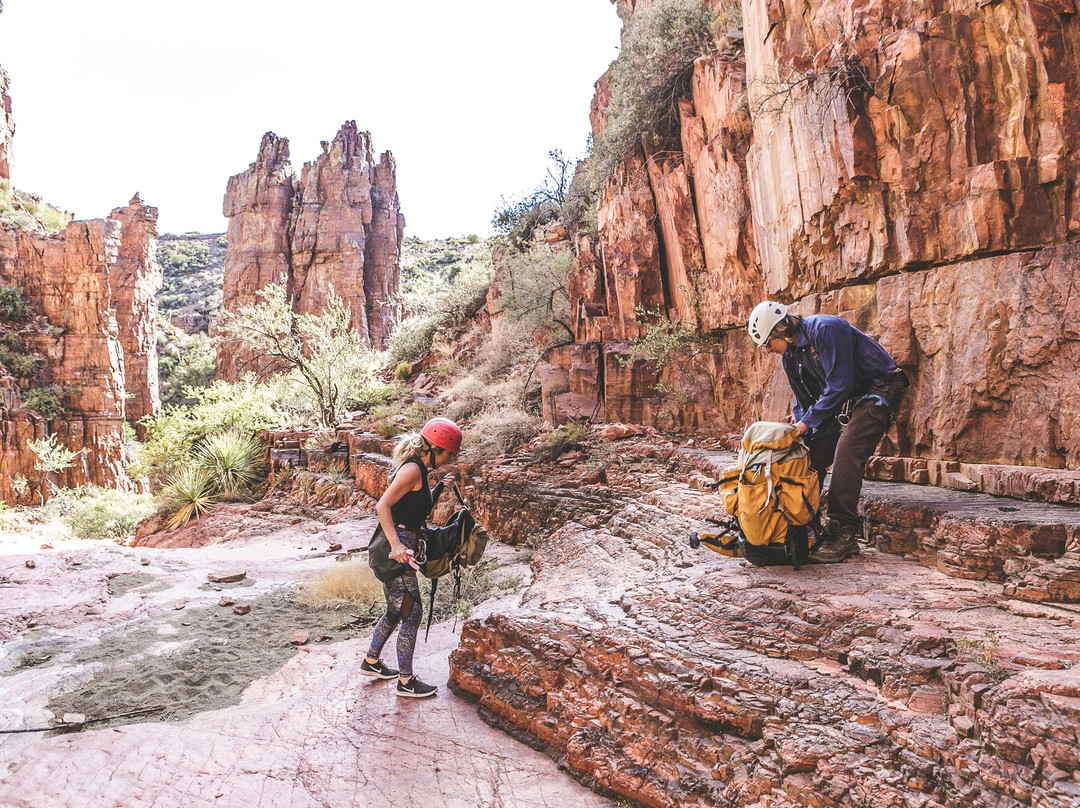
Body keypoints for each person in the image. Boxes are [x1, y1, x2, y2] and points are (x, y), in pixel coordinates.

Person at [747, 301, 908, 563]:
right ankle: (804, 525)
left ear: (780, 329)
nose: (766, 351)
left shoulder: (825, 329)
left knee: (847, 450)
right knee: (808, 455)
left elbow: (839, 384)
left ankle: (842, 532)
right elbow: (803, 402)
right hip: (845, 399)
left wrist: (805, 424)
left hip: (878, 388)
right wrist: (801, 436)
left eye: (767, 343)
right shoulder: (790, 358)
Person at [359, 417, 461, 697]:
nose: (449, 458)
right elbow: (383, 506)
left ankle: (371, 662)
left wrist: (440, 487)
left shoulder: (421, 471)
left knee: (396, 610)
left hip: (402, 547)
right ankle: (406, 682)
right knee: (412, 612)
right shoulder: (413, 470)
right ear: (435, 449)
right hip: (396, 551)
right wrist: (396, 546)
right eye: (448, 454)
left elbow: (414, 508)